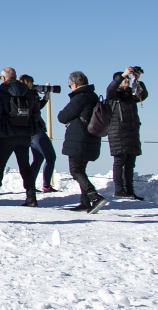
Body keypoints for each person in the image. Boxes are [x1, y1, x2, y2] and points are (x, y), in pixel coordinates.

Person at [57, 71, 109, 213]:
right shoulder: (93, 96)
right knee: (81, 170)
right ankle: (85, 202)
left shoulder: (80, 98)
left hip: (79, 139)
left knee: (75, 171)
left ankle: (95, 197)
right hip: (92, 138)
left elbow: (62, 117)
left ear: (74, 84)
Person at [0, 67, 40, 206]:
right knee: (25, 166)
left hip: (6, 134)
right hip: (24, 134)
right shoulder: (28, 92)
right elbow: (36, 113)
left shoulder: (0, 91)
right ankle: (31, 197)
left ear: (4, 78)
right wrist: (30, 129)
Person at [106, 67, 147, 200]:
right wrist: (123, 74)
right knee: (119, 162)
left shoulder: (130, 95)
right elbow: (110, 88)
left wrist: (137, 80)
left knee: (130, 163)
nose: (127, 81)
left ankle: (130, 190)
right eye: (125, 79)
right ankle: (119, 190)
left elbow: (143, 95)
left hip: (132, 132)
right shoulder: (114, 96)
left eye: (128, 79)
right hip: (118, 132)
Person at [19, 75, 57, 192]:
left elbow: (36, 108)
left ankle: (30, 185)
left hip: (28, 131)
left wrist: (45, 99)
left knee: (38, 158)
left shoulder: (21, 96)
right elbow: (34, 110)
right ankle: (46, 185)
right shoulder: (29, 95)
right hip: (37, 131)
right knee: (51, 157)